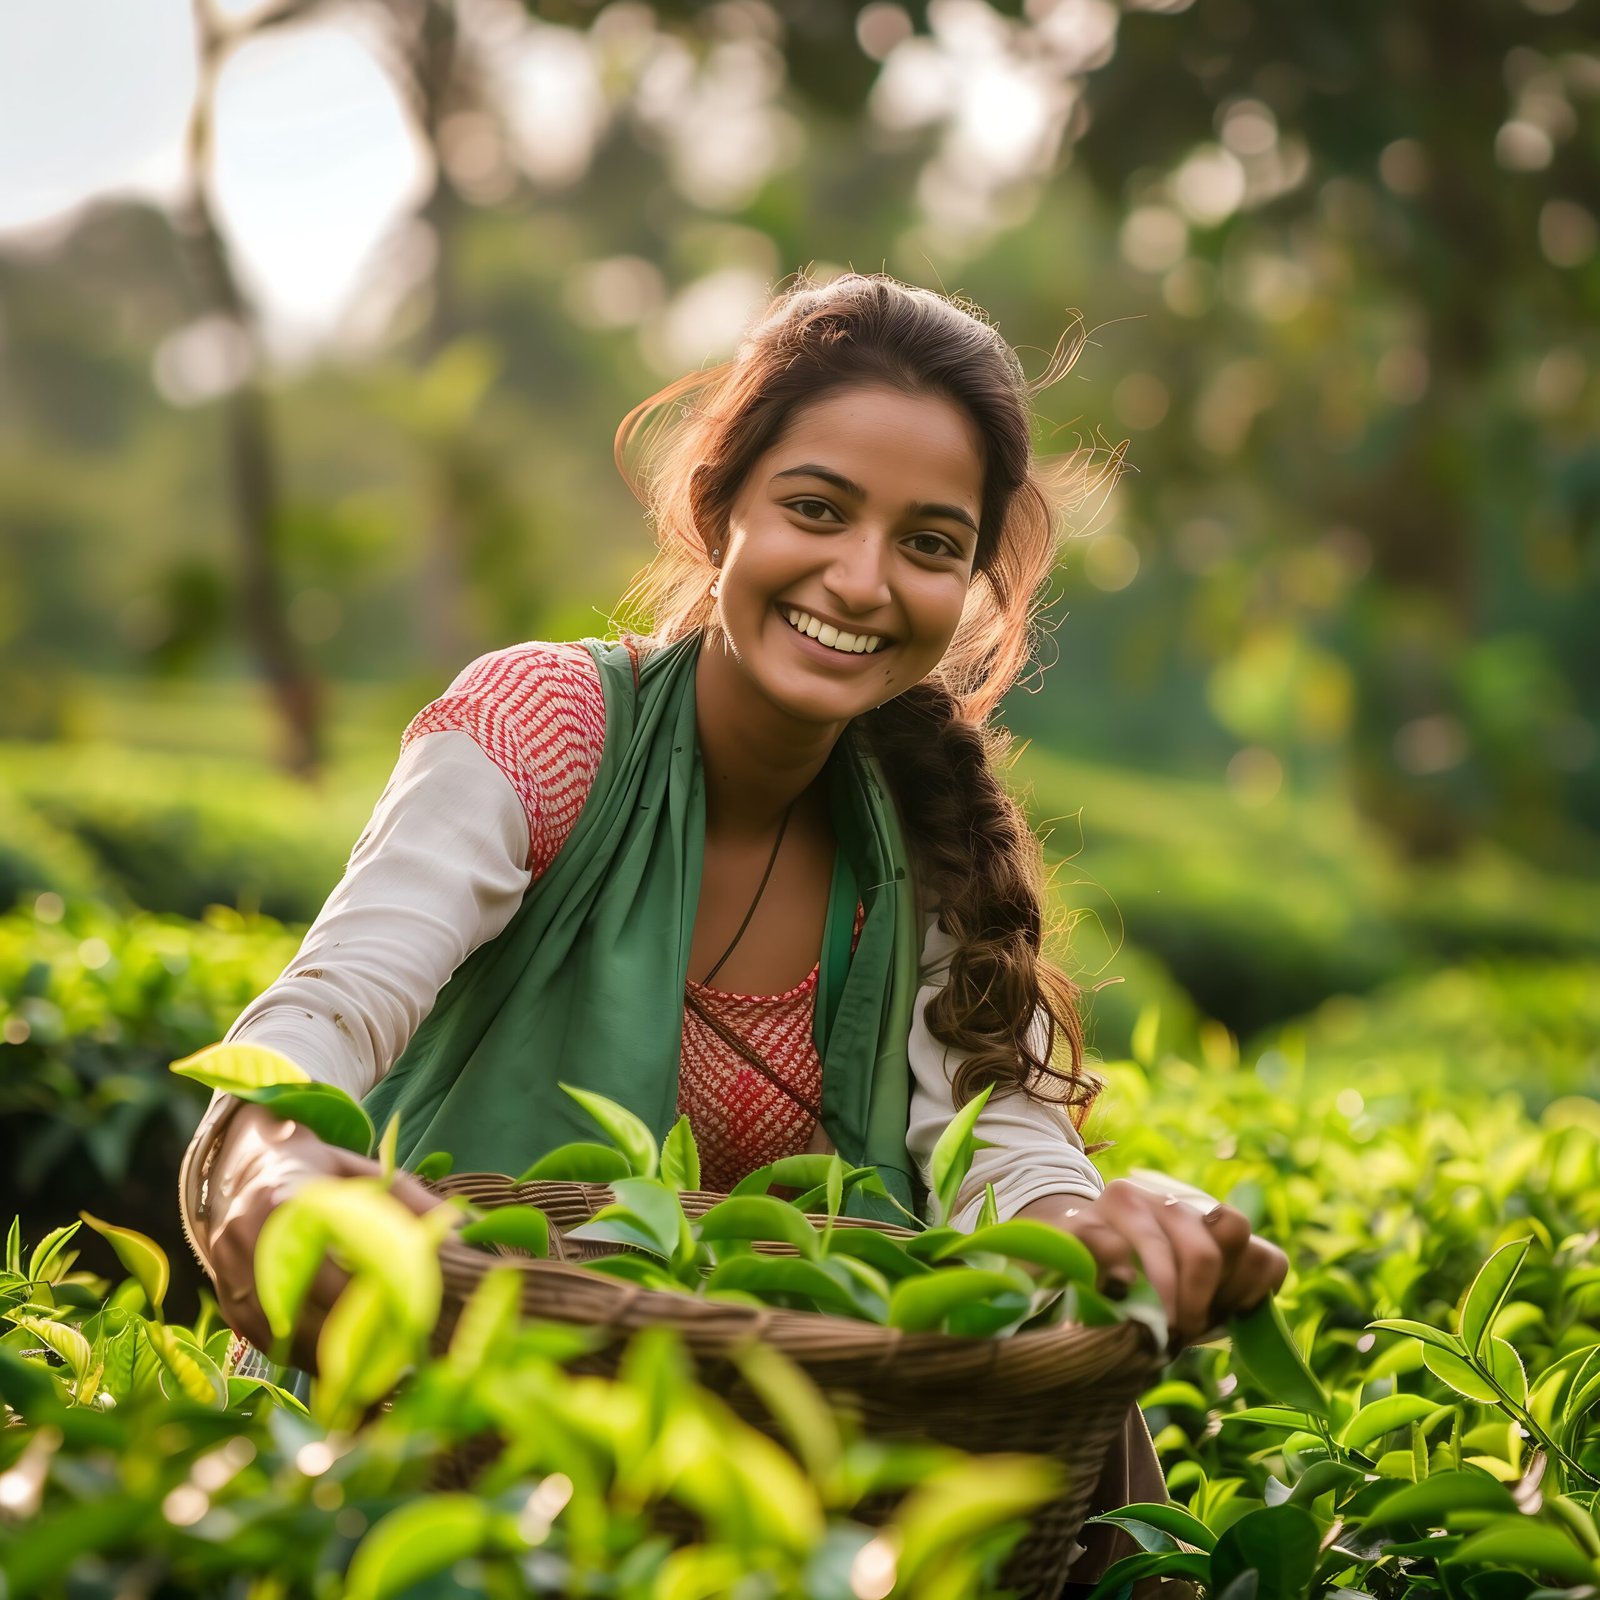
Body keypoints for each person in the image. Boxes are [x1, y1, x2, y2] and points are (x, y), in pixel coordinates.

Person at [178, 271, 1286, 1585]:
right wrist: (269, 1155)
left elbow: (1006, 1154)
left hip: (765, 1515)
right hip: (426, 1441)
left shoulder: (922, 840)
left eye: (931, 543)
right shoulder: (545, 728)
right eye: (816, 510)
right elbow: (330, 1007)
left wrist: (1112, 1223)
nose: (863, 581)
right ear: (721, 509)